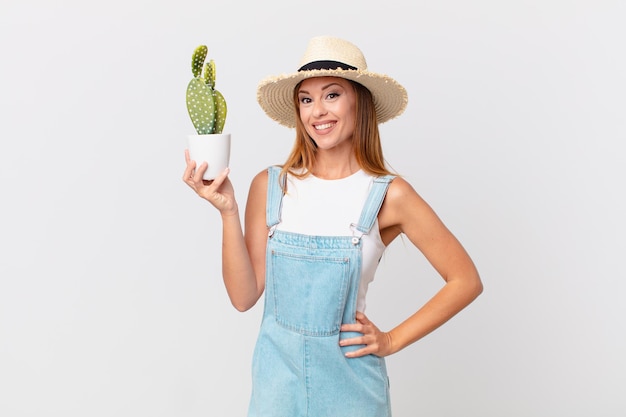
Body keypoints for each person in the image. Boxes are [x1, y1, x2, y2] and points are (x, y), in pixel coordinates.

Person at [183, 35, 483, 417]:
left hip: (351, 392)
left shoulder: (390, 195)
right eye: (306, 100)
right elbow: (243, 298)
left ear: (360, 101)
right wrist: (227, 211)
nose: (317, 112)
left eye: (332, 95)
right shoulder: (271, 185)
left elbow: (465, 280)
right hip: (276, 390)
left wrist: (391, 340)